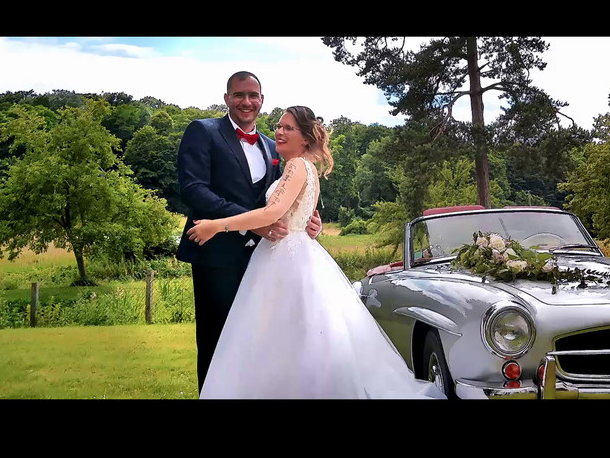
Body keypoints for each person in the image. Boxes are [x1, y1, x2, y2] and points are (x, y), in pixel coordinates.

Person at [187, 106, 445, 399]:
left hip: (288, 259)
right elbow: (299, 214)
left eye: (288, 128)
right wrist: (312, 224)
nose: (279, 132)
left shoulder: (298, 166)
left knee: (289, 337)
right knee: (285, 339)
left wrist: (216, 225)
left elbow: (273, 212)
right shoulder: (298, 167)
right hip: (283, 255)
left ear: (306, 138)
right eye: (278, 126)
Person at [175, 72, 322, 393]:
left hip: (266, 261)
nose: (247, 101)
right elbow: (193, 190)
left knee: (261, 345)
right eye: (239, 95)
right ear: (227, 98)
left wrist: (311, 220)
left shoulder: (275, 147)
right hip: (217, 257)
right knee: (218, 342)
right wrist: (249, 220)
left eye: (253, 95)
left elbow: (285, 197)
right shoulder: (203, 131)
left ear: (262, 100)